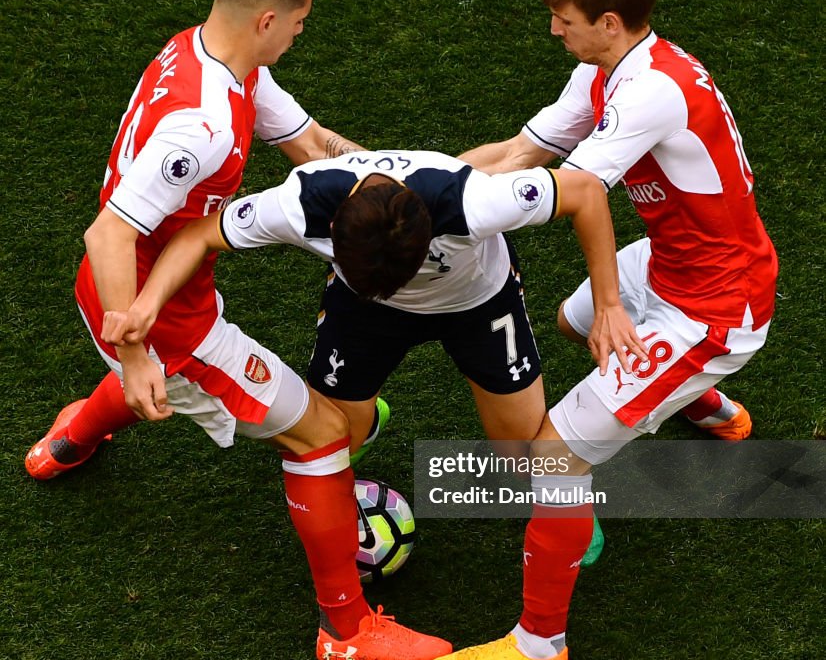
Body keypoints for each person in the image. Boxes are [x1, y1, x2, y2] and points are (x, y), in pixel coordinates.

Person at [25, 0, 450, 660]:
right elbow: (107, 233)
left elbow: (316, 145)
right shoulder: (205, 125)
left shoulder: (210, 60)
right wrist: (135, 355)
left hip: (138, 302)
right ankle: (346, 630)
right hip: (162, 325)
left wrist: (400, 190)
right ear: (267, 20)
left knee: (202, 395)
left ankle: (72, 436)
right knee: (319, 436)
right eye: (300, 23)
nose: (299, 34)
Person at [426, 0, 778, 660]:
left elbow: (575, 194)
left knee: (556, 457)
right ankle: (707, 406)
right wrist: (412, 181)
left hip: (712, 309)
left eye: (564, 16)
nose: (554, 28)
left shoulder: (649, 91)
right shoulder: (609, 70)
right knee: (573, 320)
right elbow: (523, 154)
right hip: (677, 263)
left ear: (610, 21)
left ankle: (539, 649)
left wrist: (618, 303)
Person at [100, 148, 645, 471]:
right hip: (363, 312)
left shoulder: (472, 200)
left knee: (525, 460)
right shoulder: (300, 205)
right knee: (334, 439)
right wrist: (144, 307)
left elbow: (585, 193)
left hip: (480, 305)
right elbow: (199, 235)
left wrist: (609, 305)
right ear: (332, 232)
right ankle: (364, 417)